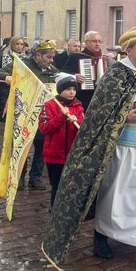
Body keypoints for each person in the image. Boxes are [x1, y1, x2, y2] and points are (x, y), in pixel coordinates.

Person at [42, 26, 136, 271]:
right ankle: (101, 235)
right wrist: (127, 116)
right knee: (113, 198)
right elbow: (99, 116)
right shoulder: (115, 76)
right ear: (128, 50)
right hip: (121, 151)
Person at [0, 40, 59, 190]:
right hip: (23, 113)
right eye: (48, 57)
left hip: (43, 114)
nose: (51, 60)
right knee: (21, 146)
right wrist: (8, 77)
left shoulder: (52, 69)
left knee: (41, 147)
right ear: (38, 55)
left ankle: (35, 177)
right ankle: (19, 177)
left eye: (52, 57)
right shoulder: (23, 64)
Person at [39, 73, 84, 208]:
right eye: (68, 89)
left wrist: (78, 121)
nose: (71, 92)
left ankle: (68, 211)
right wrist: (61, 117)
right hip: (54, 156)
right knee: (57, 185)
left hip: (72, 155)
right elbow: (44, 128)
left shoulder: (78, 107)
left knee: (71, 185)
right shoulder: (49, 105)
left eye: (74, 89)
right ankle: (55, 211)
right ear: (60, 90)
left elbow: (84, 131)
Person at [62, 31, 112, 110]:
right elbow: (63, 74)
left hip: (100, 98)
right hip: (82, 97)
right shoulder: (76, 56)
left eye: (99, 41)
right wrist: (75, 76)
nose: (97, 44)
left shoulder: (104, 59)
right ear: (86, 43)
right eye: (94, 41)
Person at [0, 36, 25, 121]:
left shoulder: (25, 58)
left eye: (21, 44)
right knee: (5, 120)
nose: (19, 46)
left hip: (20, 92)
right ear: (12, 44)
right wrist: (6, 76)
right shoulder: (2, 56)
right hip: (4, 91)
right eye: (17, 44)